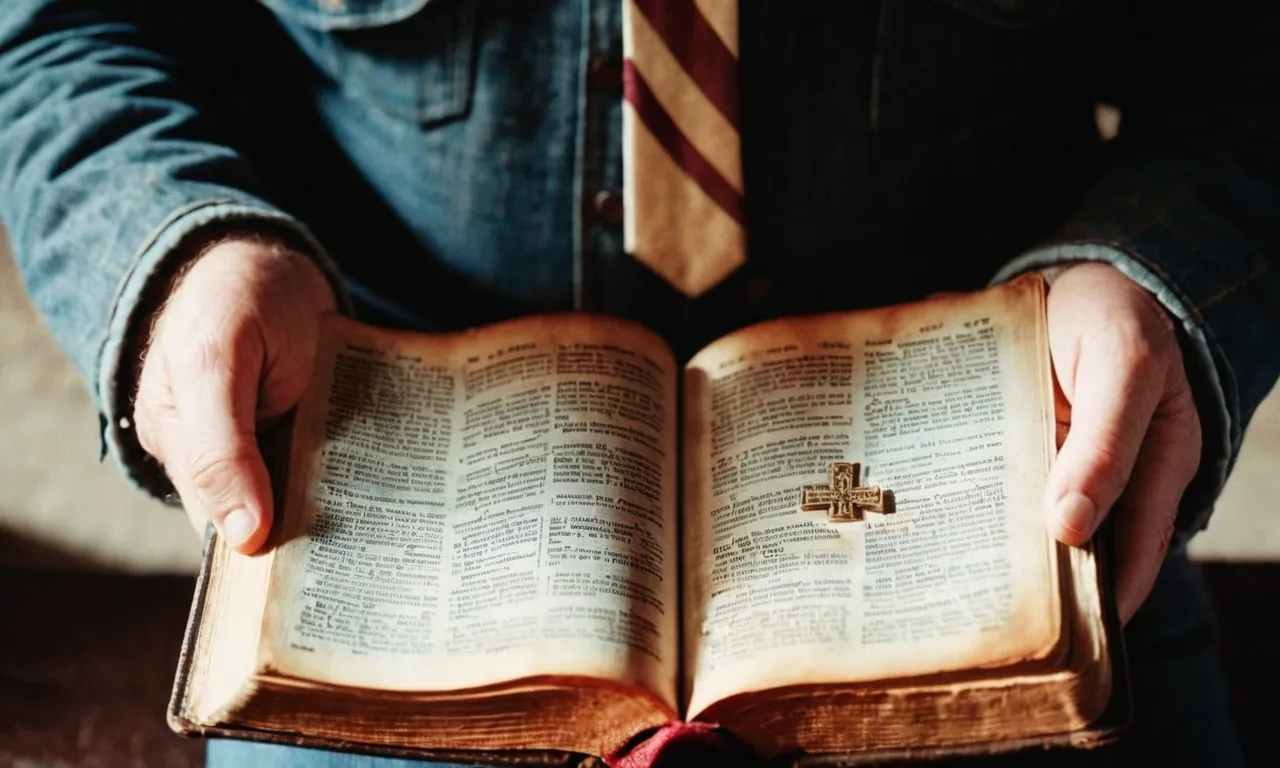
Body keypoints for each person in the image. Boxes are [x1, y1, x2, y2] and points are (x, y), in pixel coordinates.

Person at [2, 1, 1276, 765]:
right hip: (381, 572)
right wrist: (173, 256)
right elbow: (69, 29)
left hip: (1018, 533)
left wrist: (1152, 277)